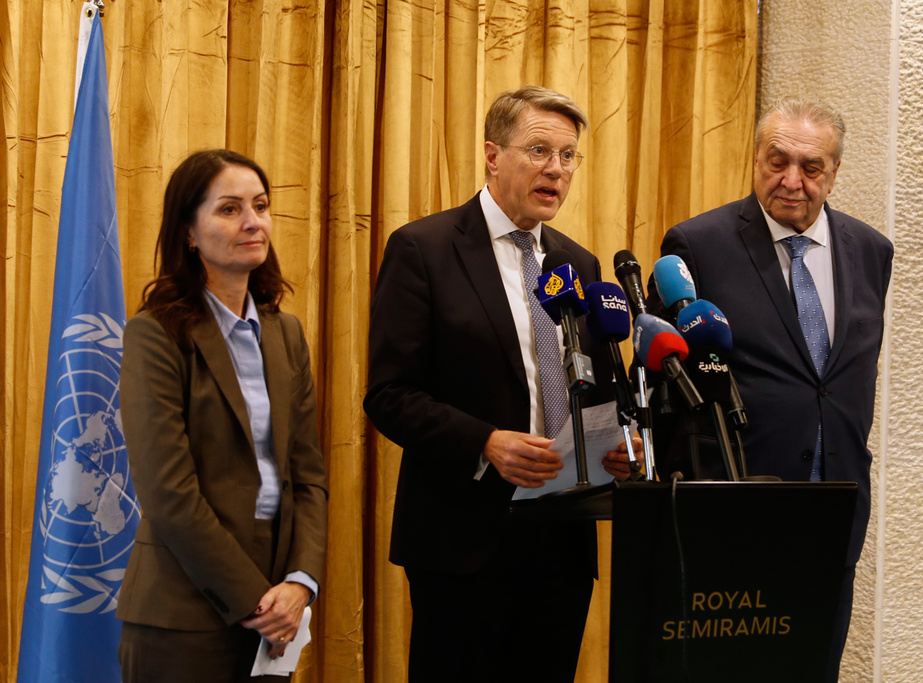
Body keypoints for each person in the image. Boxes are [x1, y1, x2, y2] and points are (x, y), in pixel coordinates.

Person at [364, 86, 632, 682]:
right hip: (463, 541)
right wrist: (486, 442)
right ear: (492, 155)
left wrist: (615, 445)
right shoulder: (424, 249)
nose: (556, 170)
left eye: (568, 156)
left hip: (561, 538)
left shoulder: (578, 267)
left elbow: (594, 387)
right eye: (539, 151)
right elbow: (390, 395)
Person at [657, 97, 893, 680]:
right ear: (755, 159)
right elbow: (670, 389)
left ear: (835, 171)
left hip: (835, 502)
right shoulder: (698, 244)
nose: (792, 180)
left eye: (811, 167)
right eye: (776, 160)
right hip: (733, 506)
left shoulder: (870, 251)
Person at [117, 149, 328, 682]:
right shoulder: (155, 334)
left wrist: (301, 583)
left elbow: (309, 477)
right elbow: (168, 493)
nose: (253, 222)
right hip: (183, 614)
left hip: (280, 610)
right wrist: (256, 600)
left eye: (260, 205)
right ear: (189, 231)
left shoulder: (286, 334)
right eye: (229, 209)